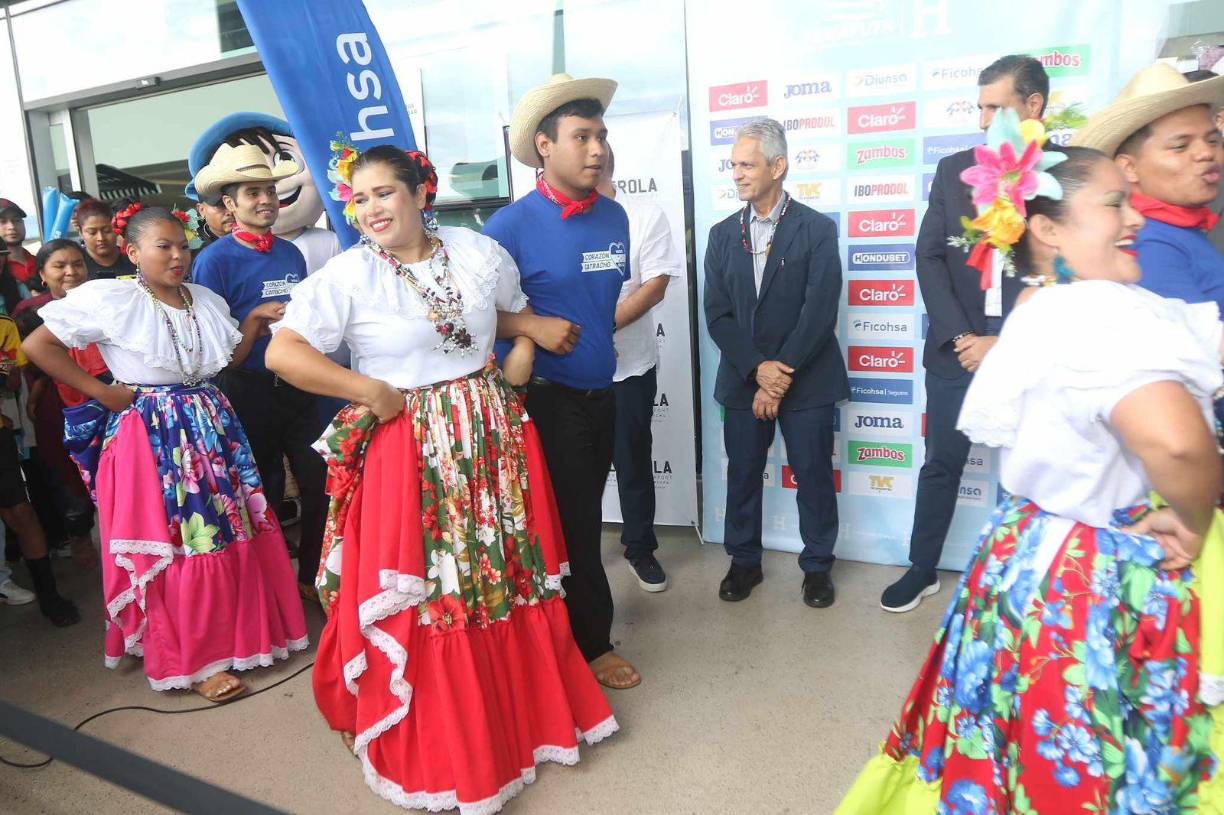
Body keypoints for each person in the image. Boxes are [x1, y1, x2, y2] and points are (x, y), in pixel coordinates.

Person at [837, 117, 1224, 812]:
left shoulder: (1047, 304)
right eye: (1114, 204)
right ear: (1049, 230)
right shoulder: (1098, 313)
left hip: (1030, 555)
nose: (1134, 216)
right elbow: (1179, 444)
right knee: (1085, 753)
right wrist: (1193, 518)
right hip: (1092, 574)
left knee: (1005, 747)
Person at [265, 143, 616, 814]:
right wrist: (366, 388)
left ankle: (518, 722)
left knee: (499, 578)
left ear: (420, 194)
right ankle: (452, 743)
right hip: (410, 449)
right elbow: (284, 351)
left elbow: (478, 315)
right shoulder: (347, 276)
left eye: (383, 194)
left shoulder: (477, 252)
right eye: (359, 198)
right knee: (437, 591)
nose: (369, 208)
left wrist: (526, 332)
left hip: (487, 435)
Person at [22, 207, 308, 699]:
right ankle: (193, 660)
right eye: (163, 246)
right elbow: (37, 344)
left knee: (226, 530)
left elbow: (223, 361)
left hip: (212, 423)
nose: (178, 256)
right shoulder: (112, 299)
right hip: (153, 431)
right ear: (132, 252)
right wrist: (102, 391)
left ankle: (239, 639)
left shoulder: (205, 299)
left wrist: (256, 320)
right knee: (178, 540)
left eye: (183, 245)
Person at [486, 73, 642, 690]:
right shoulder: (508, 228)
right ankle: (590, 642)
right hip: (541, 403)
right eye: (582, 136)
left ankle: (557, 633)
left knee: (581, 519)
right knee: (571, 523)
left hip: (604, 393)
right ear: (544, 146)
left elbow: (599, 304)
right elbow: (469, 317)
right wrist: (531, 326)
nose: (597, 149)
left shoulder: (615, 218)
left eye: (601, 135)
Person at [879, 55, 1048, 614]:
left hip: (1031, 355)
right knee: (941, 464)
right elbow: (928, 257)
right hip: (957, 352)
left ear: (1033, 107)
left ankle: (1017, 579)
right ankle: (921, 567)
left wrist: (1006, 342)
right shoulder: (954, 171)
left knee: (1026, 472)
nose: (983, 121)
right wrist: (961, 337)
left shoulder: (1062, 176)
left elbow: (1065, 272)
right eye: (980, 107)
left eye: (995, 108)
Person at [703, 117, 846, 609]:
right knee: (743, 475)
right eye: (733, 165)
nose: (737, 174)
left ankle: (818, 567)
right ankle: (743, 563)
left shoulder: (818, 230)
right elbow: (717, 315)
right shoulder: (722, 235)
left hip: (806, 379)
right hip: (745, 380)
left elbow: (819, 311)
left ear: (778, 166)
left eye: (748, 164)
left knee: (812, 475)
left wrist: (779, 373)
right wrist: (757, 370)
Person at [190, 143, 329, 601]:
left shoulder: (290, 254)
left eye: (269, 190)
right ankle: (268, 592)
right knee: (261, 491)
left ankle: (311, 578)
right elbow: (211, 345)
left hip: (298, 383)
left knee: (319, 479)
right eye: (253, 192)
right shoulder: (213, 260)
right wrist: (253, 322)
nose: (266, 199)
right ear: (229, 204)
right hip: (246, 389)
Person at [594, 146, 680, 592]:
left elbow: (655, 285)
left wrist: (600, 328)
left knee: (631, 460)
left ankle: (640, 547)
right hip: (570, 372)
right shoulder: (555, 219)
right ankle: (578, 555)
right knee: (574, 470)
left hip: (630, 366)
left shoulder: (643, 213)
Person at [1069, 64, 1224, 309]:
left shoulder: (1178, 230)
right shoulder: (1147, 245)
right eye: (1180, 146)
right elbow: (1192, 344)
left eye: (1213, 140)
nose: (1206, 153)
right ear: (1128, 168)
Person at [13, 240, 98, 569]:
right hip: (54, 402)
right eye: (59, 266)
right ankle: (78, 534)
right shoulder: (32, 311)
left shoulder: (100, 303)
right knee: (65, 469)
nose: (70, 272)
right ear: (42, 274)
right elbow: (31, 361)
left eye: (77, 264)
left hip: (102, 398)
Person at [75, 198, 137, 280]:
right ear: (80, 232)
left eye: (107, 231)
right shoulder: (76, 265)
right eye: (92, 232)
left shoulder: (133, 259)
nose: (100, 238)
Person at [0, 198, 34, 312]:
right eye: (3, 221)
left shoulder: (42, 261)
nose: (12, 227)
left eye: (16, 220)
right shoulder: (2, 269)